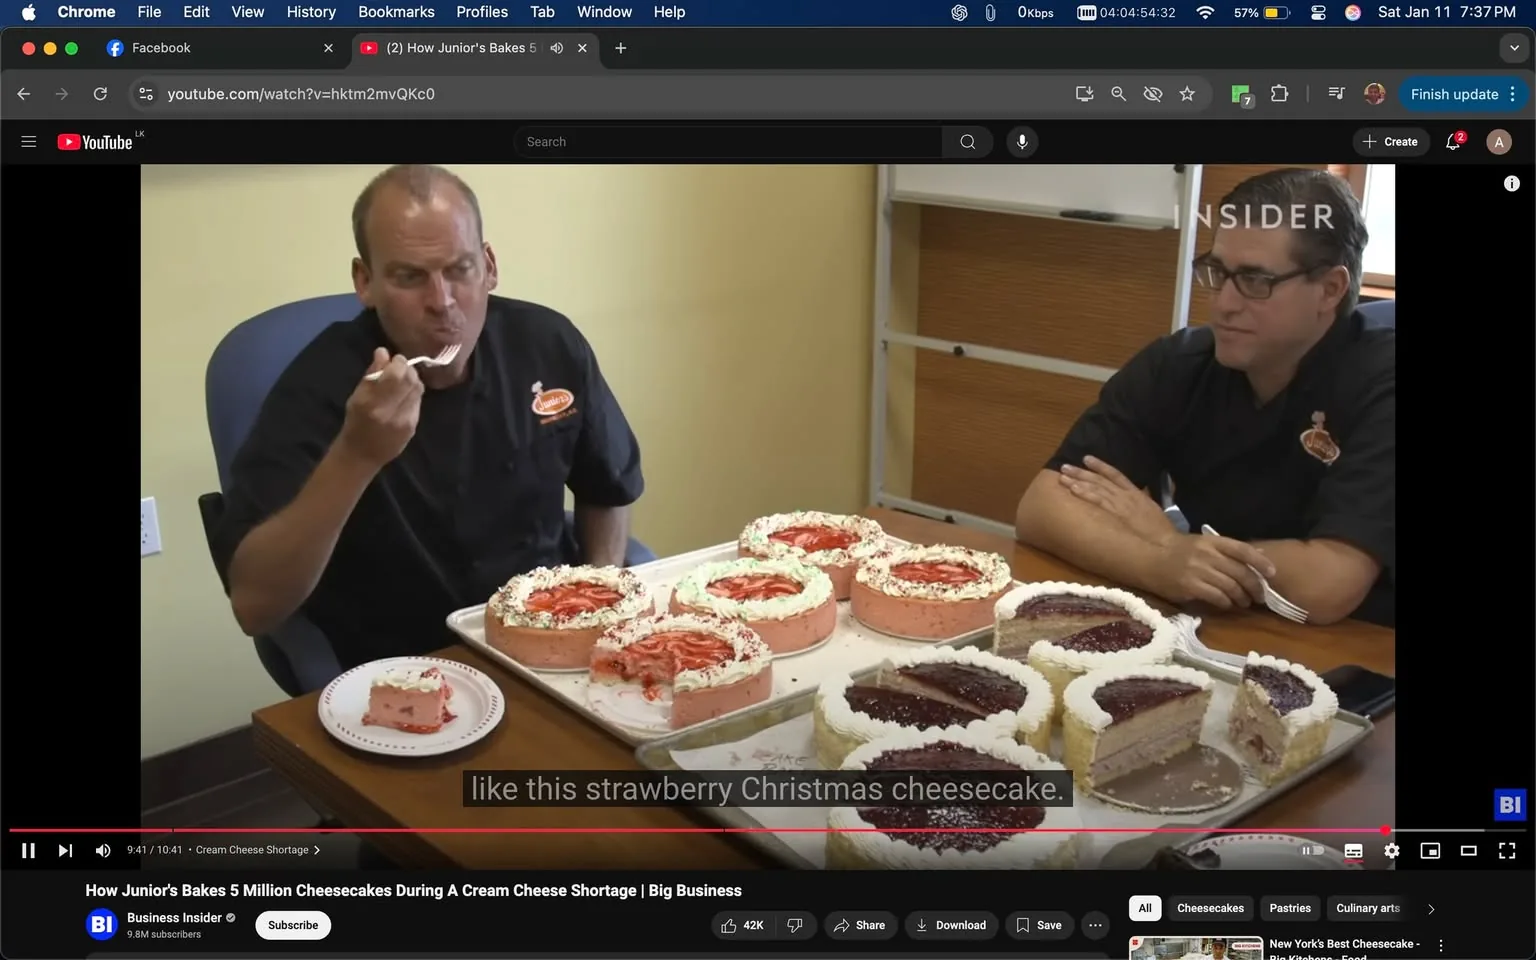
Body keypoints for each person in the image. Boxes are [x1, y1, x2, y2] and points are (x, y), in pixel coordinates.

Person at [211, 164, 645, 673]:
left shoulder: (548, 343)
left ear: (489, 266)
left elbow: (607, 486)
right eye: (409, 277)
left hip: (544, 637)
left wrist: (597, 595)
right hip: (399, 662)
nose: (442, 303)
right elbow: (255, 606)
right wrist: (356, 453)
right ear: (365, 282)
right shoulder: (318, 386)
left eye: (459, 269)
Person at [1014, 167, 1393, 627]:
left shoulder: (1381, 383)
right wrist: (1160, 556)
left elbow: (1328, 583)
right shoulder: (1180, 362)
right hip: (1212, 626)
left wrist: (1174, 545)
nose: (1223, 303)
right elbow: (1042, 507)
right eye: (1218, 272)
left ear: (1330, 289)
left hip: (1360, 650)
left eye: (1256, 281)